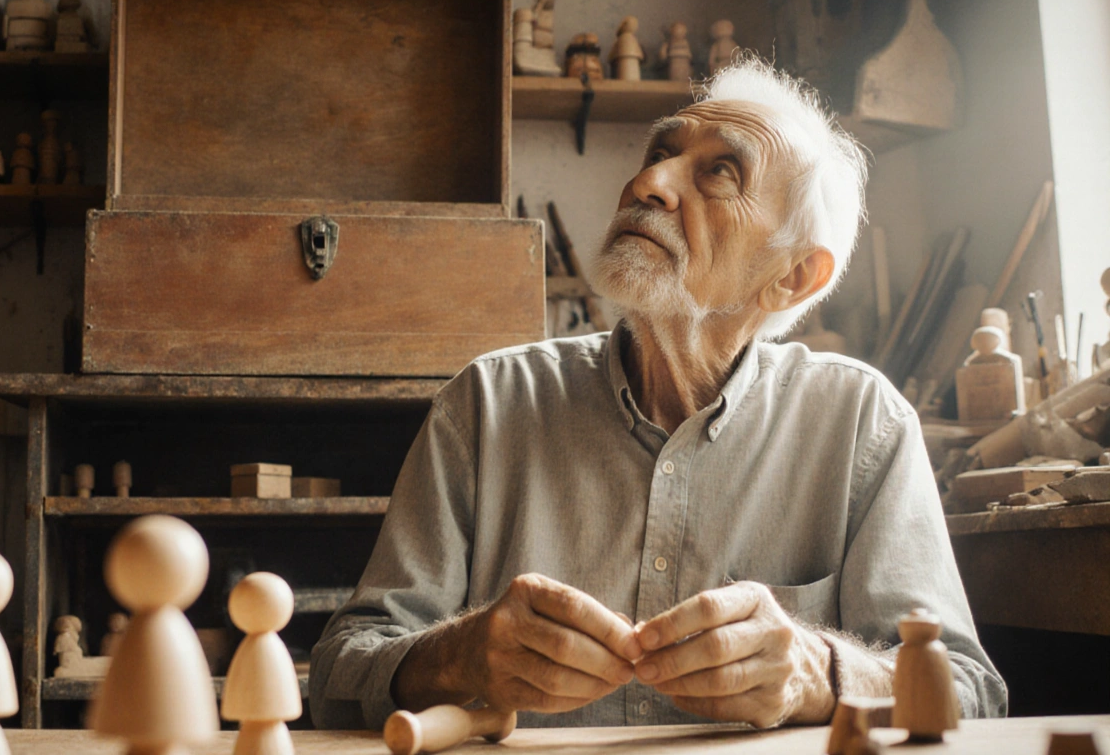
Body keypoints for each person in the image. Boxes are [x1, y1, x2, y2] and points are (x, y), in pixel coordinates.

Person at [309, 57, 1007, 731]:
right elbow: (339, 675)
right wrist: (455, 658)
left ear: (792, 278)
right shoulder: (489, 403)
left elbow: (970, 691)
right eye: (660, 152)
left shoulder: (861, 424)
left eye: (720, 172)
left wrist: (814, 671)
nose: (650, 181)